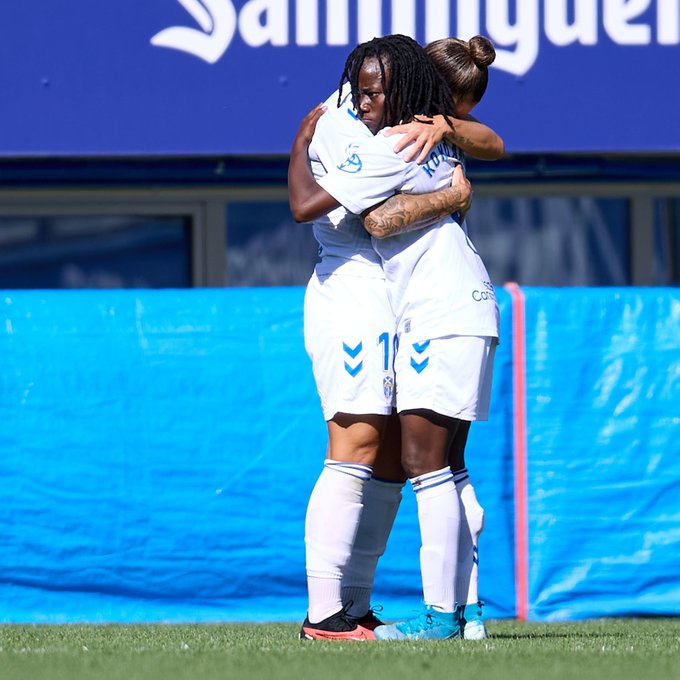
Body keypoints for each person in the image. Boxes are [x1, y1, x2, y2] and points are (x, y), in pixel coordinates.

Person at [289, 35, 500, 641]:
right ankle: (329, 614)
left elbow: (493, 141)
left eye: (378, 90)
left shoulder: (417, 131)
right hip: (356, 298)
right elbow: (313, 205)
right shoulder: (372, 127)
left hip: (418, 306)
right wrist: (299, 143)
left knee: (406, 461)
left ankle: (362, 606)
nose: (366, 98)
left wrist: (449, 129)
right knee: (367, 449)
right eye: (364, 89)